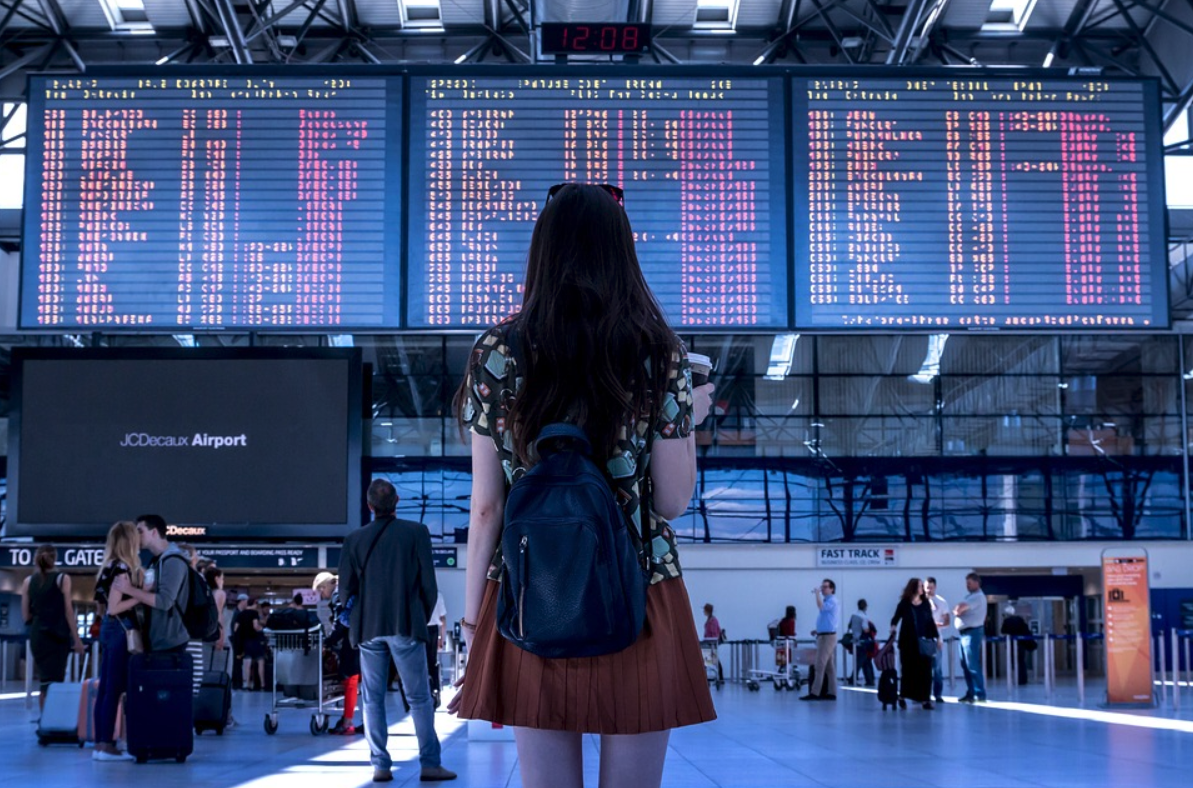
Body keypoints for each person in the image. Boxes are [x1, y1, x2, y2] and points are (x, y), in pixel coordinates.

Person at [450, 182, 717, 788]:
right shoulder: (659, 354)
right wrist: (685, 421)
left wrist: (473, 625)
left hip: (529, 590)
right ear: (622, 253)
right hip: (640, 592)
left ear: (542, 251)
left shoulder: (498, 351)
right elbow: (673, 502)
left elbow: (487, 507)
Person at [339, 478, 454, 783]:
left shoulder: (354, 539)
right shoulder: (416, 533)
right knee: (418, 697)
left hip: (367, 628)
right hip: (406, 623)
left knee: (372, 698)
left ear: (369, 505)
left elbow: (344, 591)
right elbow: (429, 585)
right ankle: (430, 764)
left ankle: (380, 766)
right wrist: (419, 615)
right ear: (397, 501)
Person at [92, 522, 143, 760]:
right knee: (113, 689)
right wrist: (140, 596)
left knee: (105, 688)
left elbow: (103, 607)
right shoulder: (122, 568)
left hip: (108, 630)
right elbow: (114, 607)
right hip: (122, 630)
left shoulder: (106, 568)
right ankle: (106, 745)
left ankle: (100, 742)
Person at [21, 545, 85, 712]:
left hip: (38, 636)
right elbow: (68, 611)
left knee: (44, 680)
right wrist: (77, 640)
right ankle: (52, 719)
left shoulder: (28, 582)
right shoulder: (62, 578)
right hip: (57, 636)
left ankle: (45, 720)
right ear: (55, 558)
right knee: (55, 679)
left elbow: (25, 615)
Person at [113, 515, 190, 654]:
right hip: (158, 640)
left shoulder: (173, 561)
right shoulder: (157, 561)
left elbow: (165, 601)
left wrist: (129, 590)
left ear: (154, 532)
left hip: (169, 643)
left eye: (140, 531)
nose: (137, 536)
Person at [313, 572, 362, 735]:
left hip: (352, 641)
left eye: (320, 591)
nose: (321, 595)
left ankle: (347, 722)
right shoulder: (350, 589)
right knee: (363, 682)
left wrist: (328, 642)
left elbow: (342, 621)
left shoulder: (338, 594)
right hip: (364, 637)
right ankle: (359, 720)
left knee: (350, 679)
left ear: (325, 586)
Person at [890, 578, 940, 710]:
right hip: (908, 643)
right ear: (913, 588)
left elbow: (930, 622)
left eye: (921, 586)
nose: (922, 589)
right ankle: (902, 696)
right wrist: (893, 626)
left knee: (925, 671)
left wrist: (937, 638)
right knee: (908, 671)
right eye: (919, 586)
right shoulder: (904, 603)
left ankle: (925, 699)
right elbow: (895, 618)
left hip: (924, 641)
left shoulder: (925, 604)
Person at [953, 572, 989, 703]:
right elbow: (958, 608)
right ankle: (971, 692)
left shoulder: (977, 597)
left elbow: (958, 609)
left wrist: (957, 610)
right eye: (966, 583)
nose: (967, 585)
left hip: (971, 633)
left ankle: (980, 694)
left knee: (972, 664)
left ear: (977, 583)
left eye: (969, 583)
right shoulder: (970, 596)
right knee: (966, 665)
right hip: (964, 634)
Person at [802, 579, 839, 701]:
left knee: (819, 664)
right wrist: (818, 630)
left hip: (827, 638)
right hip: (824, 635)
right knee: (829, 667)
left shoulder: (832, 600)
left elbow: (821, 607)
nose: (823, 589)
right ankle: (832, 692)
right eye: (822, 587)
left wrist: (817, 594)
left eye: (825, 587)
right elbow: (828, 621)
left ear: (832, 589)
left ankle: (815, 693)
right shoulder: (828, 601)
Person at [925, 577, 950, 703]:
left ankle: (938, 694)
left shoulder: (941, 602)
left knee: (937, 669)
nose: (929, 590)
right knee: (923, 668)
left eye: (931, 587)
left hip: (936, 639)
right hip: (923, 639)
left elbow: (947, 621)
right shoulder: (919, 602)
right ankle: (924, 694)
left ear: (935, 587)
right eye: (927, 587)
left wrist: (937, 626)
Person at [233, 598, 267, 690]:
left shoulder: (241, 614)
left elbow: (235, 628)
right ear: (255, 604)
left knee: (247, 662)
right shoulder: (254, 613)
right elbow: (255, 626)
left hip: (245, 641)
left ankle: (246, 684)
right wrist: (262, 629)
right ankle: (262, 684)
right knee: (260, 661)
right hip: (254, 640)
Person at [1000, 603, 1034, 686]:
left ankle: (1015, 678)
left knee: (1014, 662)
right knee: (1022, 662)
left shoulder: (1006, 621)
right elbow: (1026, 630)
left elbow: (1003, 631)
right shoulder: (1020, 620)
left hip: (1011, 644)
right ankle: (1023, 679)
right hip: (1021, 643)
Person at [426, 591, 447, 709]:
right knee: (432, 664)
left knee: (421, 665)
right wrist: (441, 638)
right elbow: (442, 619)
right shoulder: (437, 594)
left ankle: (426, 693)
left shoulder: (414, 592)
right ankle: (435, 692)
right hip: (433, 631)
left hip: (420, 630)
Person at [847, 599, 876, 687]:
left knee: (864, 661)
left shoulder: (853, 615)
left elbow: (849, 626)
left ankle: (869, 680)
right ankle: (853, 679)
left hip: (855, 640)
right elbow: (866, 629)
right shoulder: (864, 617)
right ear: (865, 606)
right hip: (863, 641)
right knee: (861, 661)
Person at [702, 603, 724, 682]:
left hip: (712, 643)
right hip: (709, 642)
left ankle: (720, 677)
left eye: (704, 610)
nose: (703, 611)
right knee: (710, 659)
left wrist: (710, 640)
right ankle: (716, 676)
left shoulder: (713, 621)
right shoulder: (709, 619)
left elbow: (714, 633)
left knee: (713, 659)